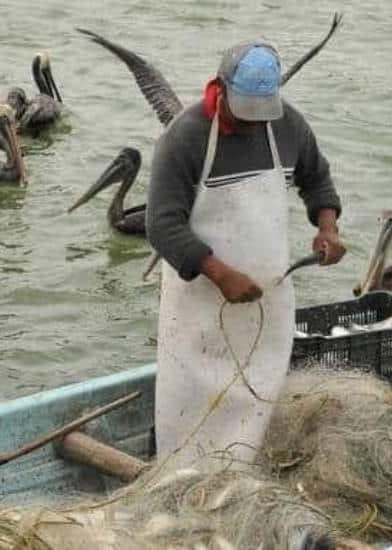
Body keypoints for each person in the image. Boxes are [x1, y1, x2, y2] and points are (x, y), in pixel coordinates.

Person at [146, 40, 345, 466]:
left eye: (263, 114)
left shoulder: (288, 124)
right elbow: (161, 226)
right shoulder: (184, 137)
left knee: (257, 402)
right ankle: (180, 478)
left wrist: (327, 228)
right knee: (190, 417)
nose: (256, 125)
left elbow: (317, 179)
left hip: (267, 304)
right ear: (219, 89)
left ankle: (245, 477)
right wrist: (219, 274)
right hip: (199, 309)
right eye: (244, 113)